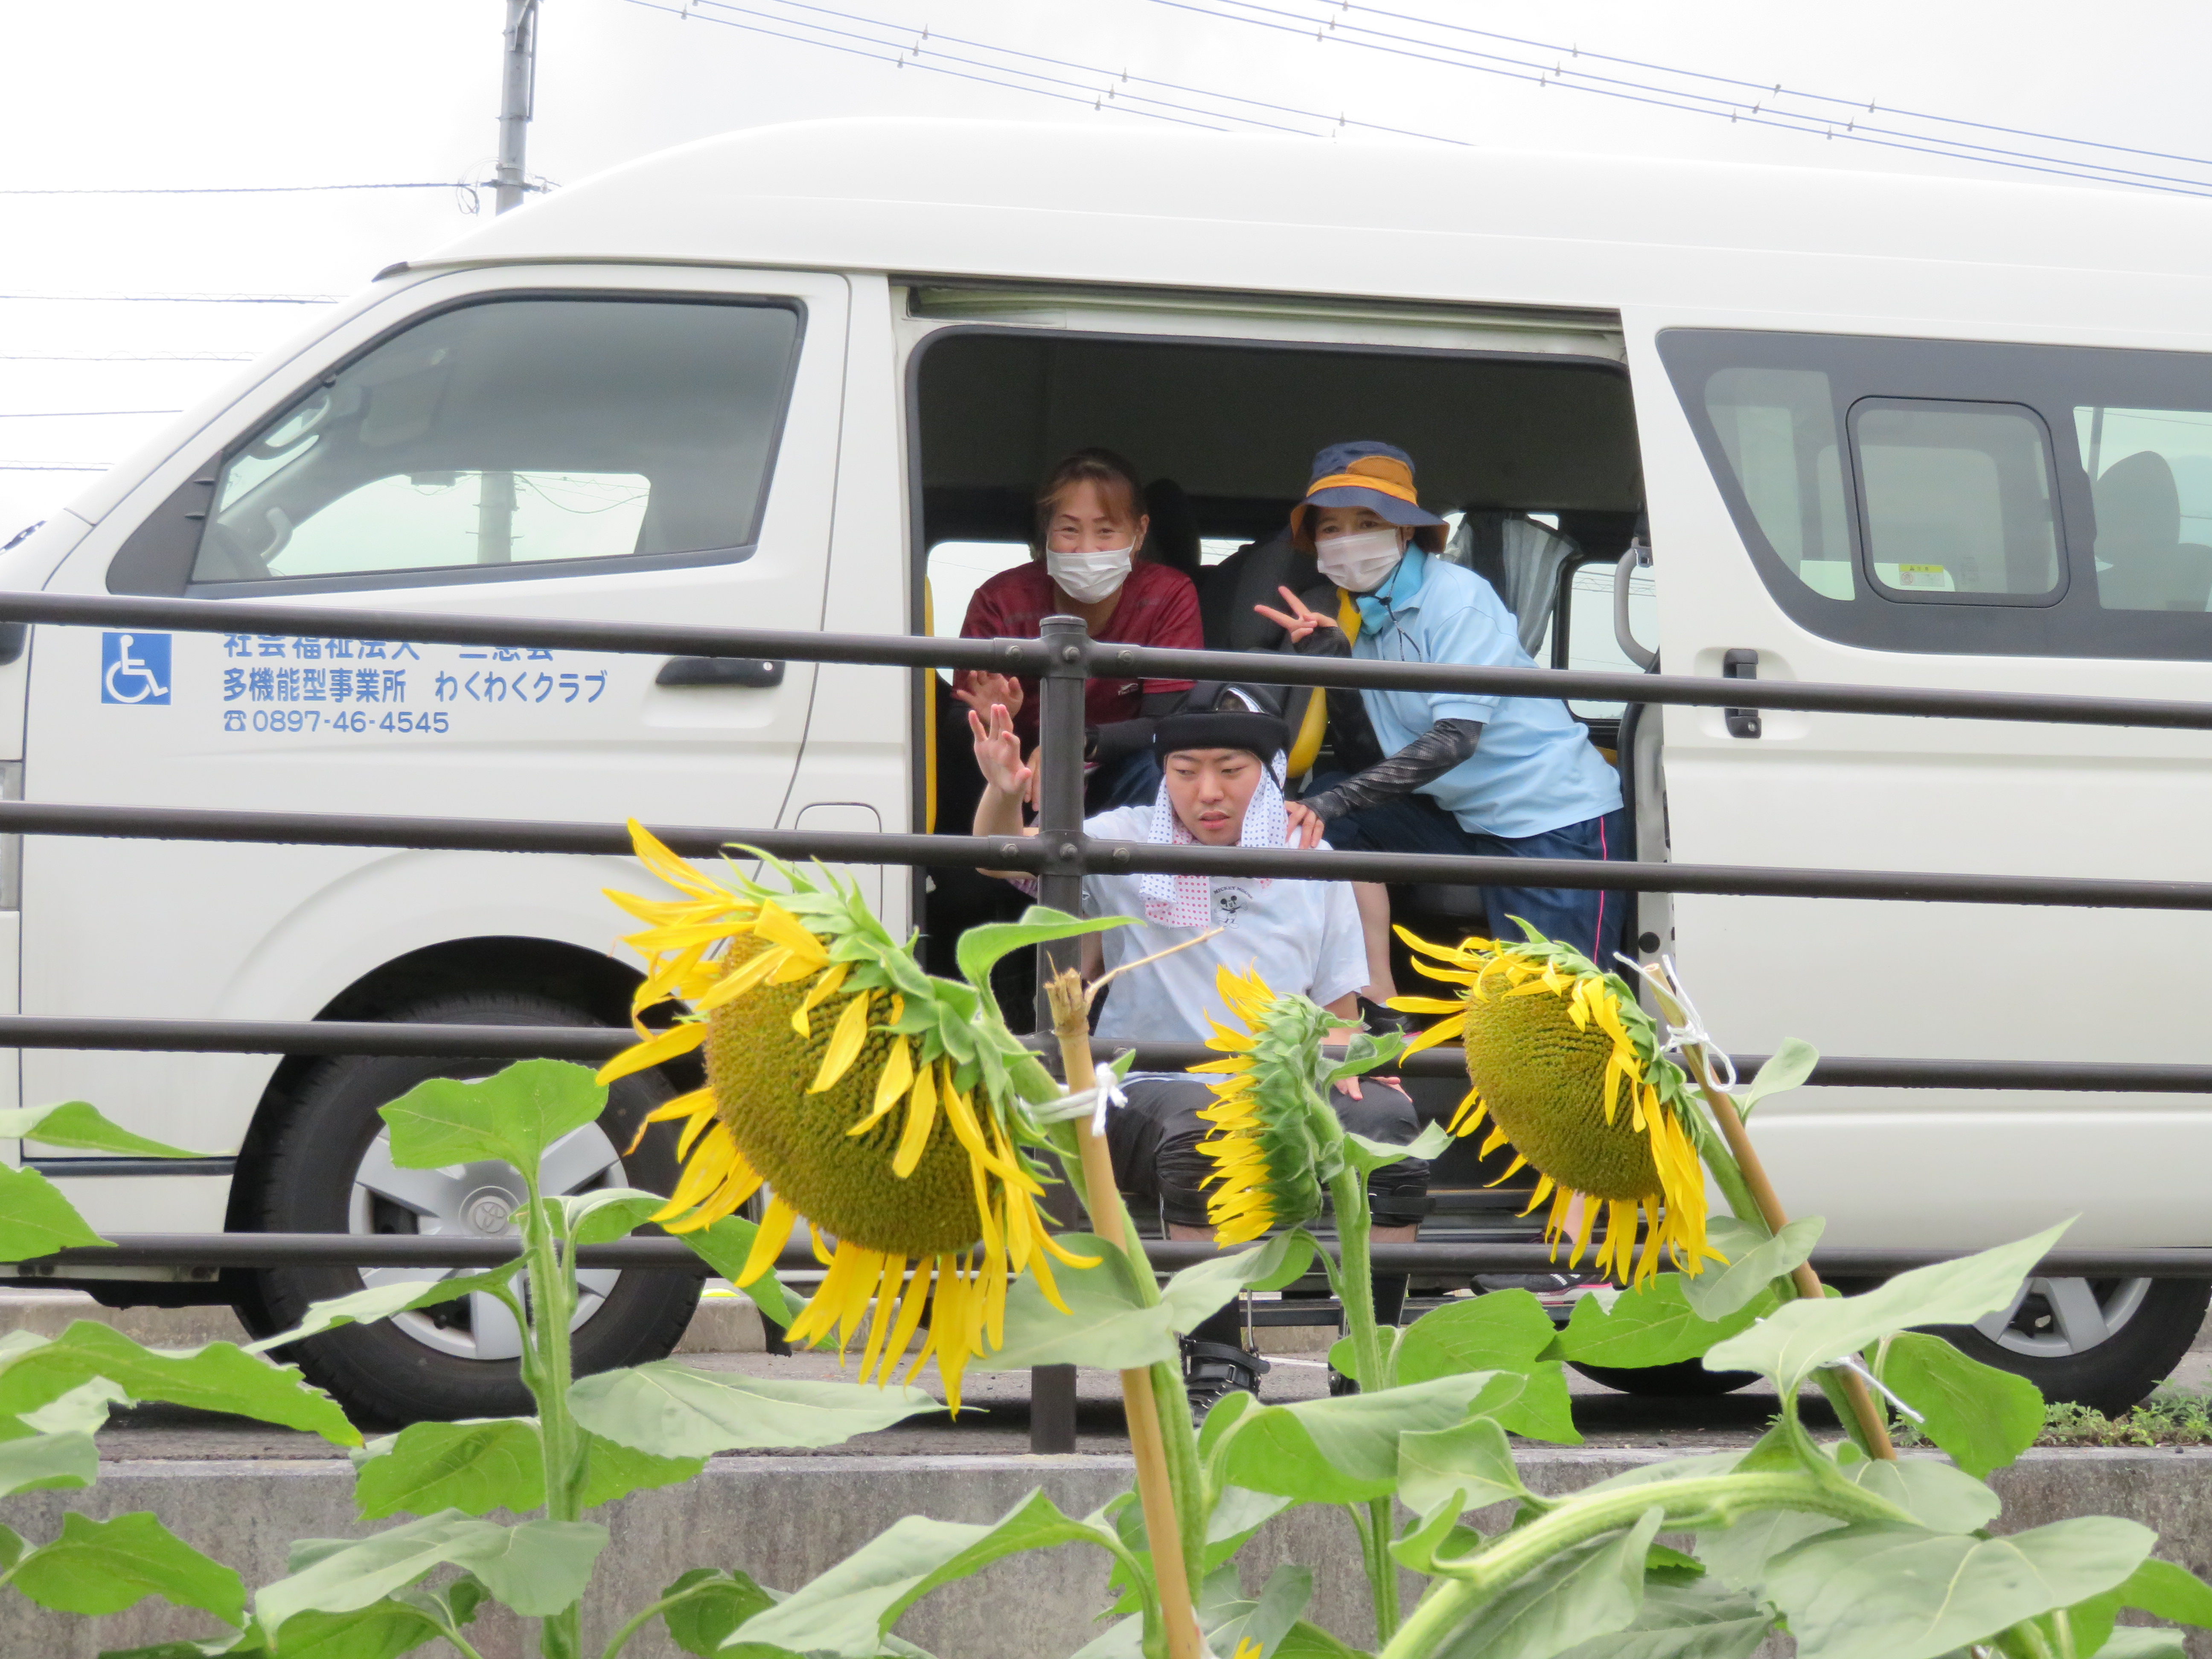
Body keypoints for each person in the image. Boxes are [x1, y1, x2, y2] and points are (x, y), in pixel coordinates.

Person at [971, 696, 1428, 1415]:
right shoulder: (1124, 839)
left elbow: (1341, 1015)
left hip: (1284, 1081)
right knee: (1202, 1124)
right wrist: (1002, 790)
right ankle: (1217, 1362)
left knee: (1391, 1133)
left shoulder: (1311, 856)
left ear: (1269, 774)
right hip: (1150, 1084)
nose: (1206, 791)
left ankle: (1369, 1358)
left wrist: (1357, 1071)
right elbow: (1002, 858)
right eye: (1184, 771)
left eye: (1230, 770)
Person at [1257, 441, 1630, 966]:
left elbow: (1455, 739)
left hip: (1551, 822)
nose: (1348, 541)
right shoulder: (1360, 619)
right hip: (1463, 819)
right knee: (1318, 813)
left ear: (1405, 531)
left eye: (1367, 523)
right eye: (1331, 528)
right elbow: (1369, 761)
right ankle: (1366, 991)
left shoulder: (1457, 598)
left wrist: (1334, 802)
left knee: (1555, 1001)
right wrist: (1335, 666)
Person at [953, 448, 1204, 811]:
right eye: (1069, 530)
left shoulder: (1169, 595)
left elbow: (1168, 724)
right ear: (1047, 531)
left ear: (1139, 533)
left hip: (1121, 770)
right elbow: (958, 724)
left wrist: (1074, 743)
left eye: (1106, 531)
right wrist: (997, 720)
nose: (1086, 550)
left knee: (1163, 769)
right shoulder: (1000, 601)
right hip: (1019, 772)